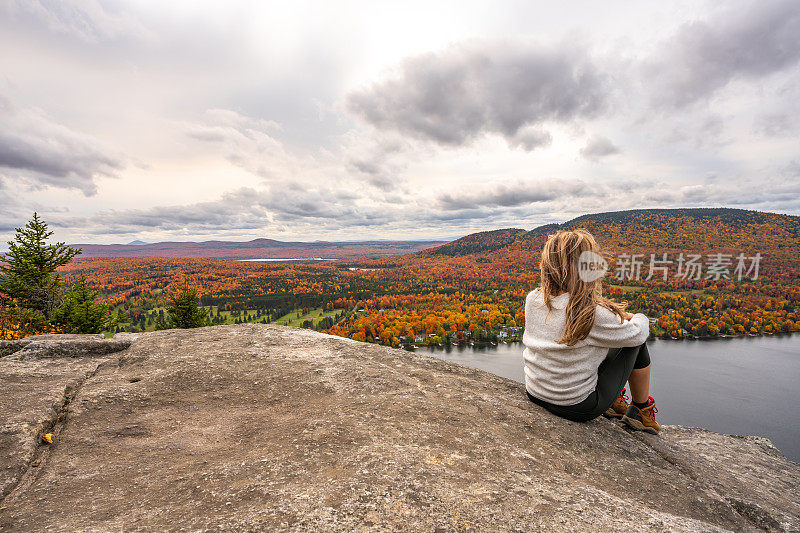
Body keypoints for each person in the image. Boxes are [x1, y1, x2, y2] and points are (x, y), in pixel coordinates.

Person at [522, 229, 659, 434]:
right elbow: (638, 334)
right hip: (577, 406)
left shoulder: (533, 298)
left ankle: (616, 402)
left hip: (535, 392)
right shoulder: (590, 312)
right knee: (635, 343)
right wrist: (638, 317)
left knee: (607, 341)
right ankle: (640, 411)